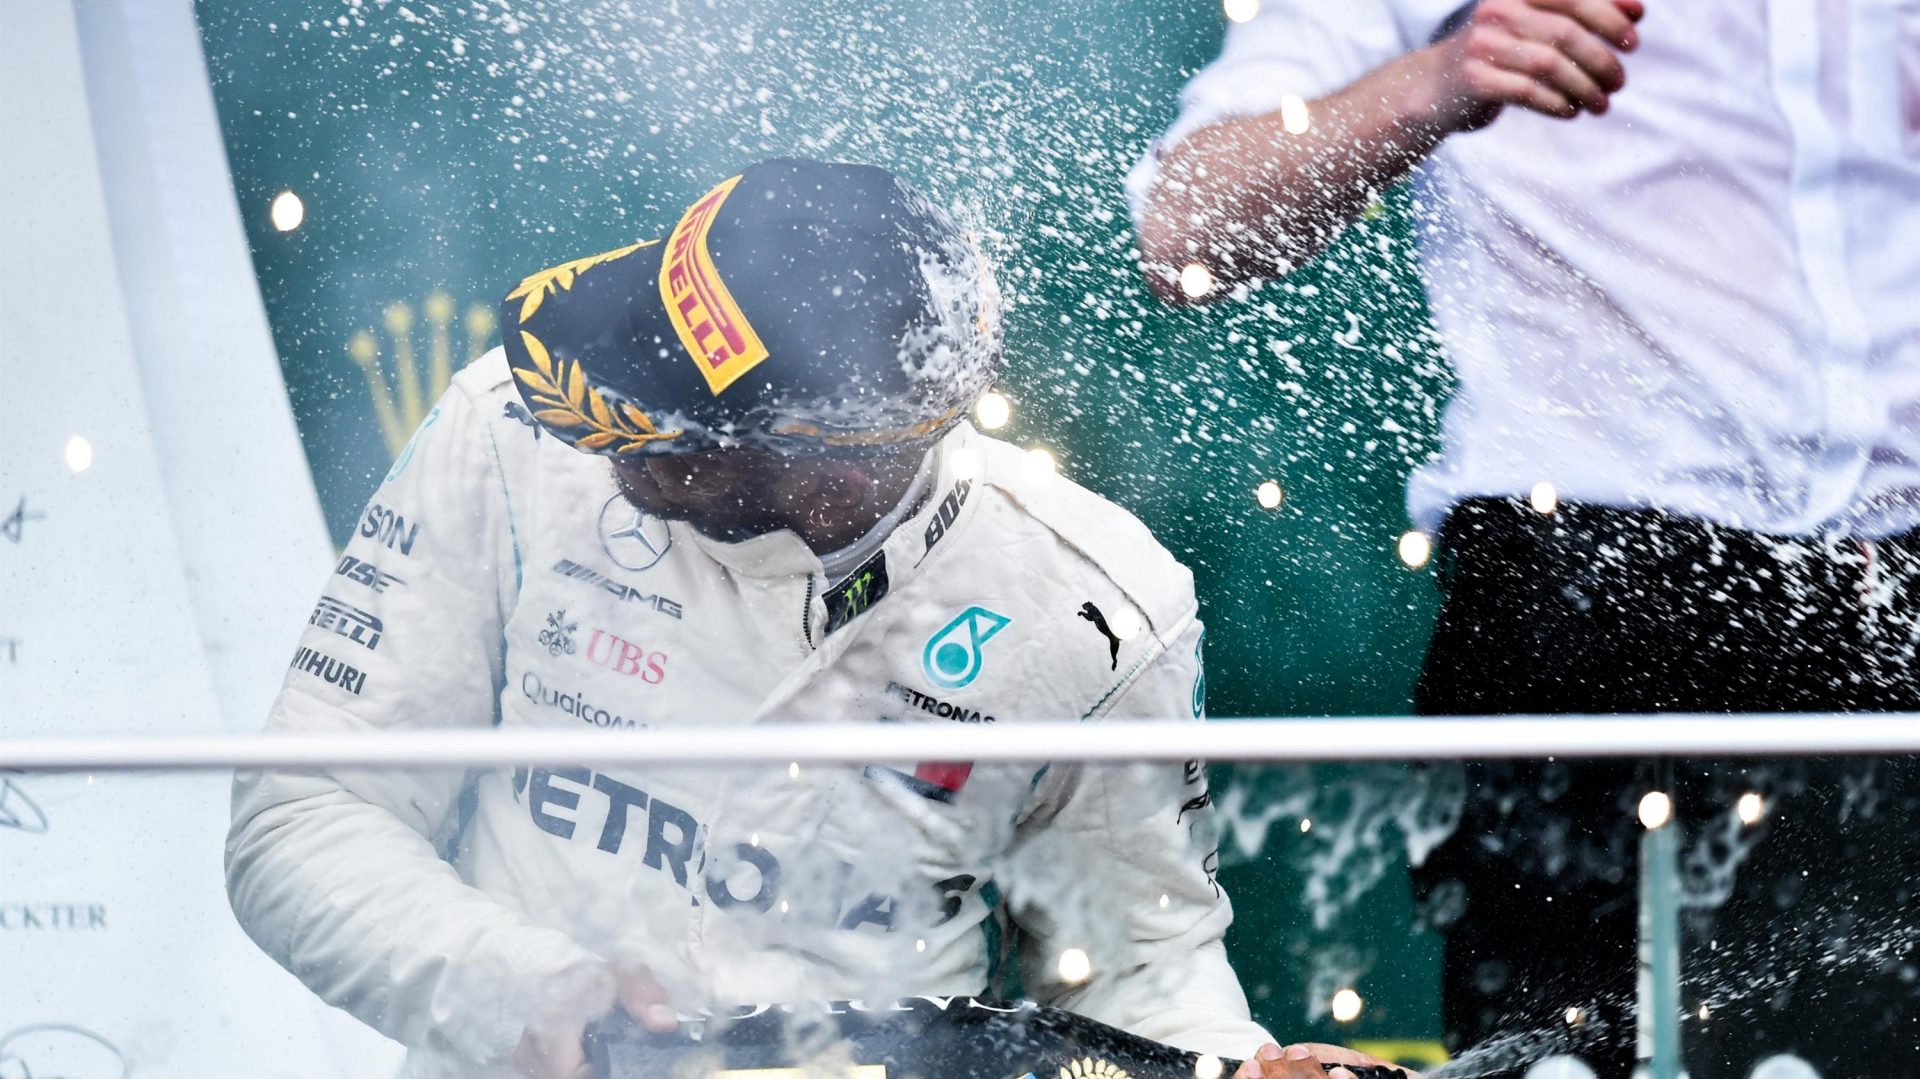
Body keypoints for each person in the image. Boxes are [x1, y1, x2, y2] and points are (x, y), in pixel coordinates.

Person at [226, 158, 1395, 1079]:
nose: (613, 425)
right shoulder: (511, 431)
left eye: (671, 425)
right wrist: (519, 988)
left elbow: (1137, 968)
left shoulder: (1093, 604)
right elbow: (305, 810)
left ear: (843, 463)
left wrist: (1237, 1066)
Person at [1128, 2, 1919, 1077]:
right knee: (1556, 1057)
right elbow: (1187, 229)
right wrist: (1446, 75)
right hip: (1581, 588)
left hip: (1894, 591)